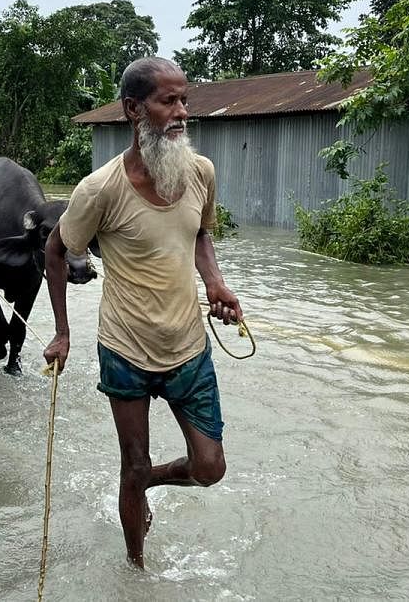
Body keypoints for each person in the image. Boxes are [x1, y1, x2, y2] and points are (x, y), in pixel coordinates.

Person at [42, 57, 243, 570]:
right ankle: (137, 567)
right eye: (167, 102)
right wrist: (62, 332)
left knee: (210, 467)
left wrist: (215, 282)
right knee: (132, 461)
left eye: (184, 101)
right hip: (126, 349)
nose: (181, 113)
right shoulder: (100, 189)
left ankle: (148, 481)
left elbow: (200, 233)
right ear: (134, 110)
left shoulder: (200, 172)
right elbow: (57, 248)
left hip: (188, 347)